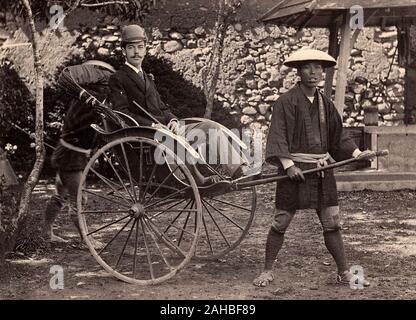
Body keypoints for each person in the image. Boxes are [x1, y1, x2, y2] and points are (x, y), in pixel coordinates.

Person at [253, 48, 375, 287]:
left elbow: (338, 136)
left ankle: (343, 272)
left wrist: (359, 153)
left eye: (318, 67)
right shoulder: (286, 102)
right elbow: (278, 135)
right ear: (298, 71)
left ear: (322, 71)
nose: (313, 72)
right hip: (295, 171)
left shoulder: (325, 104)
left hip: (321, 171)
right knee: (281, 221)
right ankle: (267, 270)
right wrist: (288, 165)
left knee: (332, 222)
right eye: (308, 67)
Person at [108, 24, 249, 185]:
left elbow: (162, 107)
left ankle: (237, 169)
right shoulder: (118, 78)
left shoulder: (147, 77)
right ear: (123, 51)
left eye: (140, 47)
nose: (136, 52)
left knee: (210, 126)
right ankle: (198, 178)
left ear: (146, 49)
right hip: (147, 134)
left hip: (167, 129)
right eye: (131, 48)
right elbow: (122, 113)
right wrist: (152, 125)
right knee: (179, 142)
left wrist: (173, 120)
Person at [42, 60, 115, 247]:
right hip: (71, 156)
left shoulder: (85, 101)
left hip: (70, 152)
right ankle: (85, 239)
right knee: (79, 199)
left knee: (60, 195)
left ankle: (46, 232)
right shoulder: (88, 103)